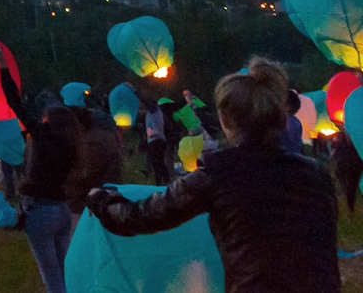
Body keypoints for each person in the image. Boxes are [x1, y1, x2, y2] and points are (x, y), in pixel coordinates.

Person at [86, 58, 339, 291]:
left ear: (225, 119)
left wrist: (103, 200)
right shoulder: (315, 173)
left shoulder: (219, 172)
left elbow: (144, 216)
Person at [0, 46, 79, 293]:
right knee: (65, 271)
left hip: (41, 212)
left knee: (51, 276)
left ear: (49, 122)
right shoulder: (72, 144)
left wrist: (1, 65)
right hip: (62, 211)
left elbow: (15, 102)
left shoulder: (43, 137)